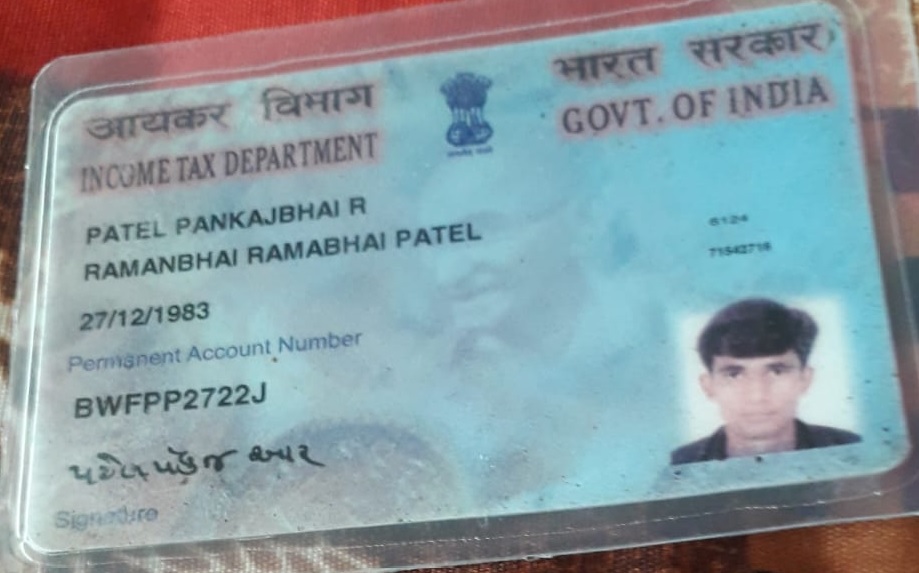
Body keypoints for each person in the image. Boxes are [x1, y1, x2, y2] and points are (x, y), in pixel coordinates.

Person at [671, 298, 860, 465]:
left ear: (805, 379)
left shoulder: (852, 451)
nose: (757, 395)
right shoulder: (679, 466)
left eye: (776, 371)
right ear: (708, 386)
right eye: (734, 374)